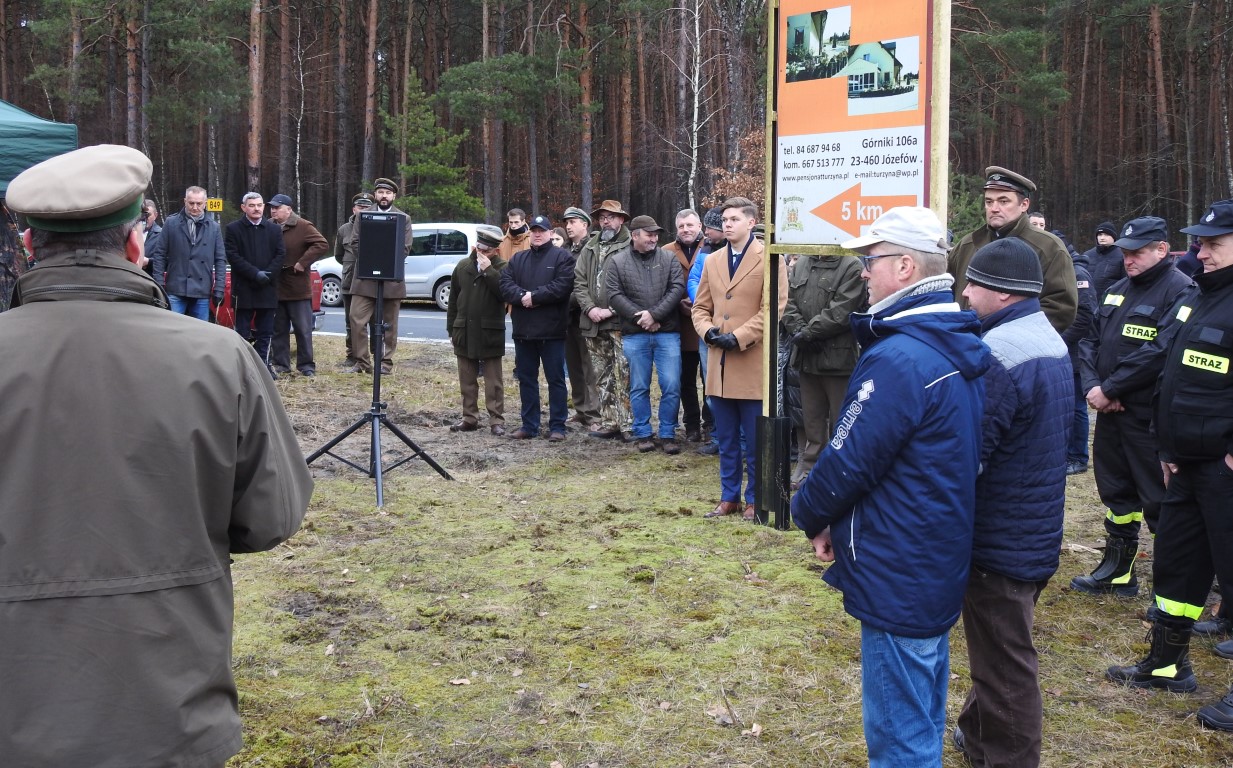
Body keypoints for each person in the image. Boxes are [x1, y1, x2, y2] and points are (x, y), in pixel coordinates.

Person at [0, 144, 312, 767]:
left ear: (30, 246)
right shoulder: (220, 359)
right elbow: (270, 518)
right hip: (168, 708)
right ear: (138, 244)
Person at [791, 206, 989, 767]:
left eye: (870, 260)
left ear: (905, 267)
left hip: (901, 561)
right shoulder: (945, 342)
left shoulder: (901, 358)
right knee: (919, 703)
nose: (862, 272)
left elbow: (850, 458)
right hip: (929, 550)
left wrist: (807, 511)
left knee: (899, 734)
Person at [1107, 200, 1233, 732]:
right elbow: (1172, 375)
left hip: (1225, 468)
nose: (1199, 251)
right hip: (1184, 464)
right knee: (1177, 568)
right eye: (1200, 242)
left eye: (1211, 244)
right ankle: (1166, 662)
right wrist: (1166, 449)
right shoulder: (1201, 297)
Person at [952, 237, 1071, 767]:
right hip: (1033, 523)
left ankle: (1009, 758)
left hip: (1002, 535)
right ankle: (976, 735)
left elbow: (972, 451)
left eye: (973, 282)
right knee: (998, 647)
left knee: (1005, 661)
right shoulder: (1043, 336)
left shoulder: (1001, 354)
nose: (966, 291)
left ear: (1001, 293)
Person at [1072, 217, 1193, 597]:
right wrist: (1093, 385)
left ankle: (1173, 589)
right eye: (1125, 252)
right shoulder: (1118, 290)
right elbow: (1091, 338)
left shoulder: (1181, 291)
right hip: (1111, 413)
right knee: (1116, 492)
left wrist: (1110, 387)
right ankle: (1119, 570)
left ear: (1161, 249)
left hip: (1147, 417)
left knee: (1159, 501)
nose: (1128, 259)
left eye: (1137, 252)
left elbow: (1160, 351)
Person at [692, 196, 788, 521]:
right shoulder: (712, 260)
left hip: (750, 360)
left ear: (751, 222)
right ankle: (728, 496)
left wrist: (739, 337)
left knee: (755, 439)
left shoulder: (770, 258)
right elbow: (700, 307)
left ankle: (754, 498)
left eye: (734, 218)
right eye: (725, 219)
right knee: (726, 437)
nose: (727, 224)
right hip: (718, 363)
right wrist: (708, 332)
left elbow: (774, 308)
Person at [949, 166, 1078, 333]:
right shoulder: (967, 245)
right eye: (989, 202)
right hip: (965, 347)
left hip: (1019, 349)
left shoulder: (1049, 248)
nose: (994, 208)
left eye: (1003, 201)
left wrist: (1008, 337)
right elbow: (947, 296)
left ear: (1024, 204)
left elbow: (1061, 309)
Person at [781, 248, 864, 489]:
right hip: (807, 356)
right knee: (811, 420)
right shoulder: (803, 261)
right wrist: (798, 331)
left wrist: (809, 332)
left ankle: (839, 473)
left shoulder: (851, 265)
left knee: (842, 421)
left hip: (838, 359)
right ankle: (810, 470)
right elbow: (788, 300)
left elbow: (842, 310)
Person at [606, 214, 686, 454]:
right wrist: (642, 318)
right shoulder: (617, 262)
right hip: (634, 333)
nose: (654, 238)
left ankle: (668, 433)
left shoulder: (669, 258)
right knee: (639, 386)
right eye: (649, 234)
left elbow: (676, 289)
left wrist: (655, 315)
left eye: (655, 234)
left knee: (671, 384)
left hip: (667, 333)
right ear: (635, 235)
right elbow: (614, 294)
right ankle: (643, 433)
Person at [499, 214, 576, 441]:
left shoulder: (563, 257)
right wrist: (523, 296)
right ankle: (529, 425)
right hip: (523, 331)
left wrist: (535, 297)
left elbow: (562, 286)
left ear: (551, 233)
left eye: (542, 230)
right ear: (529, 233)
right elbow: (505, 284)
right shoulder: (518, 259)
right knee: (527, 380)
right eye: (534, 230)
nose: (538, 234)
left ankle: (557, 427)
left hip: (552, 332)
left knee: (556, 380)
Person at [573, 199, 633, 440]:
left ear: (621, 220)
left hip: (621, 323)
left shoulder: (630, 245)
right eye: (602, 216)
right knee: (602, 375)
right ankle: (609, 422)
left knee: (625, 374)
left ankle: (628, 425)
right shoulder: (590, 247)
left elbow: (633, 284)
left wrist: (612, 309)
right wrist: (589, 308)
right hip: (593, 322)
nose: (605, 220)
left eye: (611, 216)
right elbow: (579, 281)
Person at [447, 225, 508, 436]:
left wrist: (489, 271)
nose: (482, 254)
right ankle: (469, 417)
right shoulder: (463, 266)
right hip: (464, 329)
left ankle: (496, 420)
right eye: (480, 249)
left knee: (494, 382)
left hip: (490, 332)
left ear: (496, 251)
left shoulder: (502, 267)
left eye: (487, 251)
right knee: (467, 379)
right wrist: (451, 329)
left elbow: (505, 294)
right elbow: (453, 300)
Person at [347, 177, 412, 375]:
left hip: (391, 281)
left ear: (394, 196)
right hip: (365, 280)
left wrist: (385, 261)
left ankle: (385, 363)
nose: (384, 196)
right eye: (381, 193)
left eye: (388, 193)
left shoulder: (404, 218)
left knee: (389, 325)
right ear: (375, 195)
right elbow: (355, 242)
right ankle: (362, 362)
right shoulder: (363, 216)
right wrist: (371, 260)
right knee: (356, 318)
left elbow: (405, 248)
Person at [268, 193, 329, 377]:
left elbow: (322, 244)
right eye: (272, 207)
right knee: (278, 329)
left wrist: (302, 263)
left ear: (289, 209)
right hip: (276, 286)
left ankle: (306, 366)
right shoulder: (269, 226)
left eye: (277, 208)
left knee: (303, 329)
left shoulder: (302, 226)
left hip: (298, 288)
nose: (273, 211)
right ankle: (281, 364)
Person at [225, 191, 285, 374]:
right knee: (242, 332)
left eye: (259, 205)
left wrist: (268, 274)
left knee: (265, 332)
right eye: (252, 205)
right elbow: (233, 256)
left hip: (267, 287)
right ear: (244, 208)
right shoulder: (233, 229)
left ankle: (263, 366)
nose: (256, 208)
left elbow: (280, 254)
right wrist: (254, 273)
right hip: (244, 288)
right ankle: (243, 367)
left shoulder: (274, 229)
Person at [663, 208, 709, 442]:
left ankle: (711, 424)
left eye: (690, 225)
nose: (686, 230)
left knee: (710, 380)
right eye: (681, 226)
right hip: (679, 325)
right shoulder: (666, 251)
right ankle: (691, 424)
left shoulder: (713, 248)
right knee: (685, 380)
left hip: (707, 324)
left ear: (699, 226)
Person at [148, 185, 226, 321]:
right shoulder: (171, 223)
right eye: (191, 203)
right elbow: (159, 255)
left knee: (200, 334)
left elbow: (220, 259)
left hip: (202, 290)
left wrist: (219, 288)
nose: (195, 207)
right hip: (176, 288)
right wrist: (159, 283)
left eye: (199, 203)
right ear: (185, 201)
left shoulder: (214, 228)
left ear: (205, 203)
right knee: (172, 330)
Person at [690, 206, 727, 455]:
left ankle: (741, 439)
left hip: (735, 330)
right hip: (709, 329)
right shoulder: (705, 252)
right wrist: (702, 301)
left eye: (710, 227)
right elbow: (694, 280)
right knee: (711, 384)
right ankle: (717, 436)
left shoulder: (746, 252)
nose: (706, 232)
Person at [1063, 237, 1098, 474]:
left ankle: (1078, 456)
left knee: (1077, 406)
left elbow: (1085, 317)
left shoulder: (1078, 275)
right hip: (1064, 349)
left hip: (1074, 351)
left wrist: (1060, 339)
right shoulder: (1063, 271)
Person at [562, 205, 600, 427]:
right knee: (574, 366)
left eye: (572, 222)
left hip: (585, 315)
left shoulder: (592, 249)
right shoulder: (567, 250)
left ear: (584, 224)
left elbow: (587, 284)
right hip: (567, 319)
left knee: (590, 368)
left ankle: (594, 413)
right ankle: (581, 409)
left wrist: (563, 302)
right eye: (566, 223)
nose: (568, 226)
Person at [335, 192, 373, 367]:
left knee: (375, 323)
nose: (363, 210)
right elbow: (338, 255)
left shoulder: (378, 225)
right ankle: (352, 356)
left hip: (372, 282)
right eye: (360, 207)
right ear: (354, 209)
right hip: (350, 282)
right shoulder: (344, 230)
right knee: (351, 322)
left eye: (367, 207)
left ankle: (373, 357)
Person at [1084, 221, 1126, 299]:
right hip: (1088, 303)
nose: (1102, 238)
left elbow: (1126, 283)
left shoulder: (1123, 255)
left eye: (1106, 235)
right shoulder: (1087, 255)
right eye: (1100, 235)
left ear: (1113, 237)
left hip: (1111, 304)